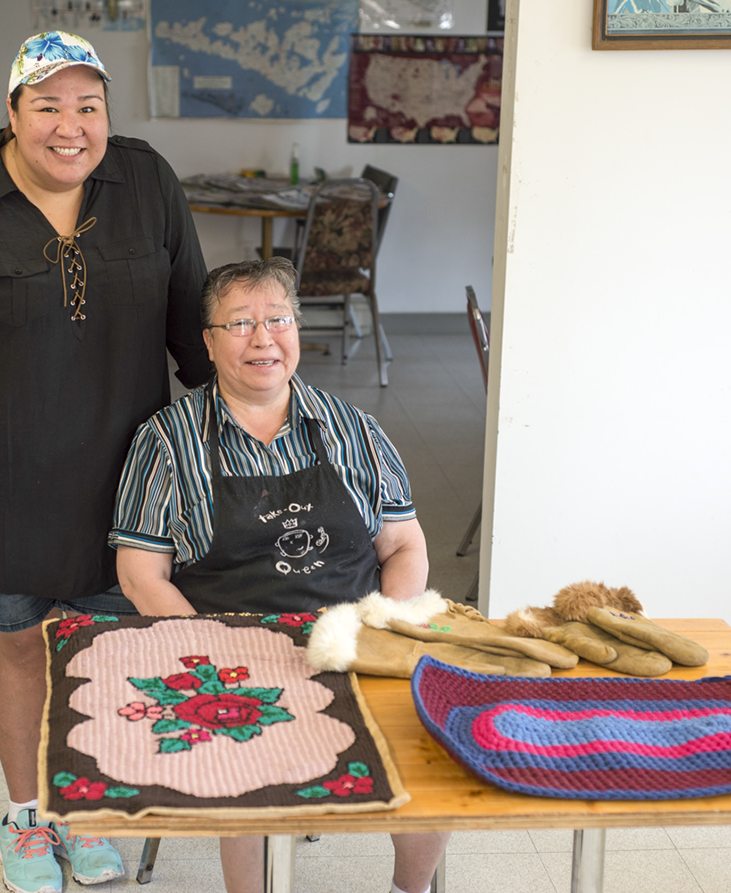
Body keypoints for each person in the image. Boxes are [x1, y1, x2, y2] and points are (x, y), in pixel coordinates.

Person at [0, 31, 212, 893]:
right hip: (1, 481)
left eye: (88, 106)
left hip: (127, 483)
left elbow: (197, 335)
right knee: (22, 644)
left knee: (100, 650)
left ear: (106, 115)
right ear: (13, 113)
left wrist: (237, 450)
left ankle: (80, 809)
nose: (71, 127)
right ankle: (27, 817)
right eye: (48, 105)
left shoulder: (147, 185)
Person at [110, 257, 451, 893]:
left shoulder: (354, 430)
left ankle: (413, 888)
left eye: (277, 319)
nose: (263, 339)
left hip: (351, 639)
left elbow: (404, 545)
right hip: (226, 649)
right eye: (240, 324)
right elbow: (140, 574)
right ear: (208, 343)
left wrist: (388, 628)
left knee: (428, 739)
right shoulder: (166, 440)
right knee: (246, 753)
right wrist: (210, 653)